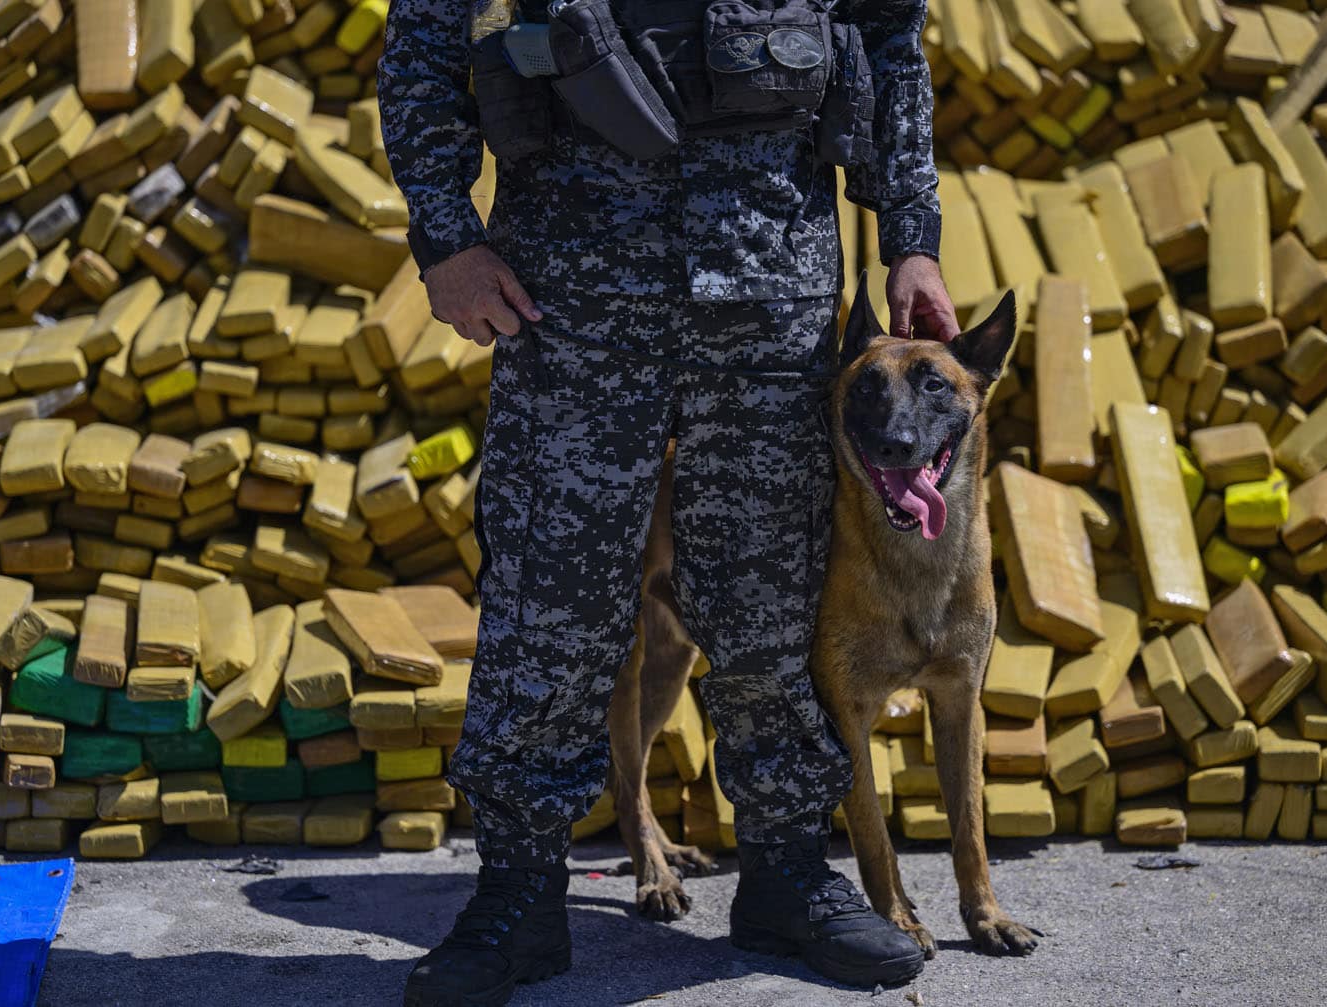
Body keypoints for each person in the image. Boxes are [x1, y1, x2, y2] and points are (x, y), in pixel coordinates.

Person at [378, 2, 957, 1003]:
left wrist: (911, 235)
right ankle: (516, 894)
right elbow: (425, 45)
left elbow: (889, 36)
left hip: (769, 299)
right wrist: (445, 238)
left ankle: (782, 874)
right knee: (544, 606)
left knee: (772, 598)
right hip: (570, 303)